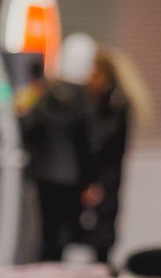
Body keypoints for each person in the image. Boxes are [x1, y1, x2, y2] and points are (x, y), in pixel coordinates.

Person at [19, 32, 96, 263]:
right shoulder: (86, 101)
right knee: (68, 233)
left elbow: (29, 129)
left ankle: (45, 270)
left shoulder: (45, 96)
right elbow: (88, 143)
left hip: (45, 174)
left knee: (47, 232)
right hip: (73, 177)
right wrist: (90, 180)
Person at [80, 46, 147, 264]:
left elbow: (100, 145)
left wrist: (92, 180)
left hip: (105, 177)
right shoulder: (117, 103)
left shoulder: (111, 106)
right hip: (110, 176)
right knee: (104, 227)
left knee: (101, 230)